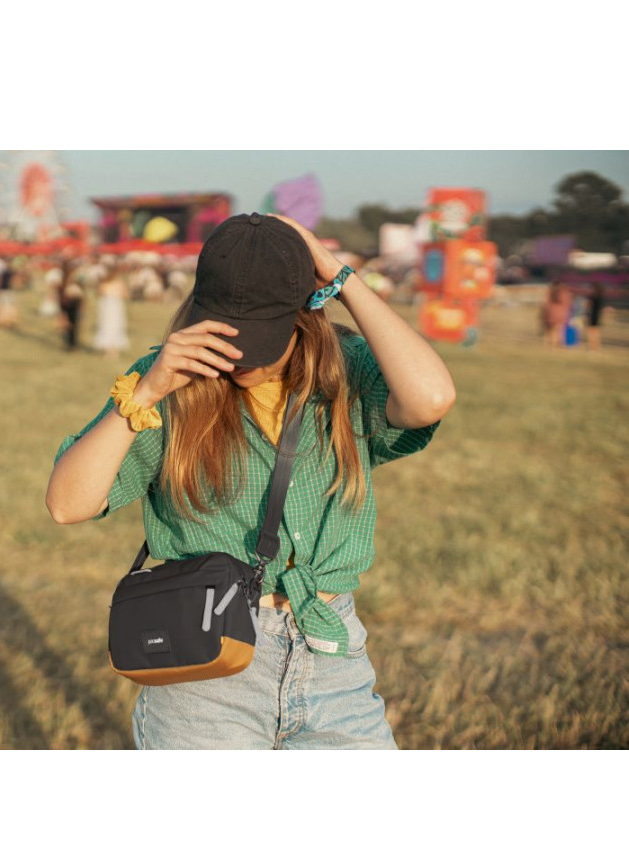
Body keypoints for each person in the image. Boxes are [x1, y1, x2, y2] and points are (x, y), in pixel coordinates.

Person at [46, 213, 456, 749]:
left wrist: (338, 275)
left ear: (303, 315)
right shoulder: (168, 380)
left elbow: (431, 399)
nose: (239, 360)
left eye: (260, 341)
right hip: (205, 667)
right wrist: (146, 393)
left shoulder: (345, 372)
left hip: (331, 656)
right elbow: (67, 505)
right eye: (225, 336)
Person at [93, 265, 130, 357]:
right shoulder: (118, 283)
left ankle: (110, 350)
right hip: (113, 307)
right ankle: (112, 350)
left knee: (109, 326)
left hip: (109, 307)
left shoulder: (105, 284)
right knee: (112, 326)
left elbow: (100, 293)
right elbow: (126, 295)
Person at [58, 258, 84, 351]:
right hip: (69, 302)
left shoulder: (76, 279)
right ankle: (70, 343)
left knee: (73, 324)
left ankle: (72, 343)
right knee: (69, 324)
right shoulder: (66, 279)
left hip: (74, 301)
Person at [542, 279, 572, 348]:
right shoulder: (563, 292)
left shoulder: (550, 292)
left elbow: (545, 303)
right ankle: (555, 345)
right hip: (560, 313)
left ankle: (547, 345)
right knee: (557, 330)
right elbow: (567, 303)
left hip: (550, 312)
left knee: (549, 330)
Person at [585, 282, 608, 351]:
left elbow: (588, 305)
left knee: (591, 331)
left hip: (592, 315)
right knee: (597, 331)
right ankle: (597, 345)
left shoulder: (593, 297)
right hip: (598, 315)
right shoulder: (601, 297)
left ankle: (592, 345)